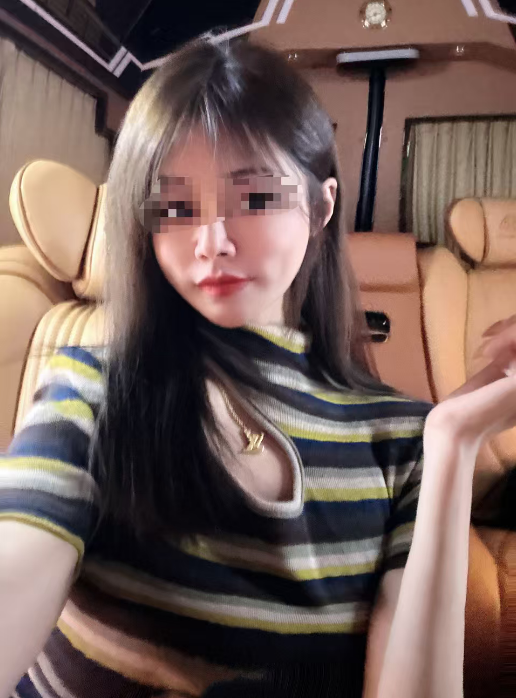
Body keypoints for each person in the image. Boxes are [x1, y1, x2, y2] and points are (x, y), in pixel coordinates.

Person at [1, 34, 516, 698]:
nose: (211, 242)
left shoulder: (404, 439)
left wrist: (455, 442)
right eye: (175, 208)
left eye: (254, 198)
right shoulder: (94, 388)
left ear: (321, 206)